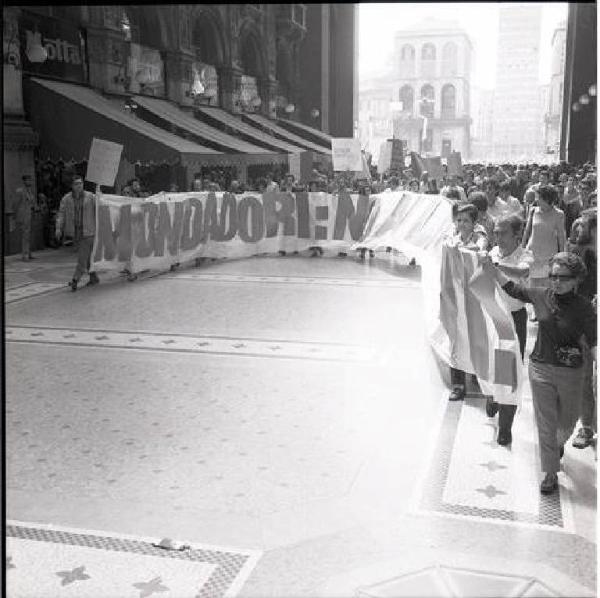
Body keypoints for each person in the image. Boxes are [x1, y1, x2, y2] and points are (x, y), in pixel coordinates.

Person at [482, 251, 596, 494]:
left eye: (563, 277)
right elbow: (513, 288)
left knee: (567, 422)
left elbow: (594, 341)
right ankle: (550, 473)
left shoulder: (584, 308)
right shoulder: (541, 295)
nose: (556, 281)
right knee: (546, 423)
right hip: (541, 367)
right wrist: (492, 270)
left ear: (576, 279)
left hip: (571, 372)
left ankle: (556, 445)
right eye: (553, 275)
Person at [485, 214, 533, 444]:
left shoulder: (525, 255)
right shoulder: (492, 252)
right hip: (491, 317)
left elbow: (522, 272)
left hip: (513, 320)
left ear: (516, 234)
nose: (497, 237)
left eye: (502, 232)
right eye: (495, 232)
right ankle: (493, 396)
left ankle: (505, 427)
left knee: (509, 372)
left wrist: (495, 267)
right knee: (491, 365)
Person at [447, 203, 489, 401]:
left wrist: (460, 249)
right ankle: (457, 384)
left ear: (474, 223)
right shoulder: (452, 239)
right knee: (455, 338)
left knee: (475, 337)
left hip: (474, 297)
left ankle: (477, 374)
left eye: (466, 220)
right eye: (459, 220)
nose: (461, 224)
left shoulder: (479, 238)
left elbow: (478, 249)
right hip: (455, 296)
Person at [570, 209, 597, 449]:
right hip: (587, 323)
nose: (578, 228)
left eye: (583, 225)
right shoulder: (579, 254)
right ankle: (587, 427)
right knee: (585, 375)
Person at [56, 176, 99, 291]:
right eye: (76, 184)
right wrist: (58, 228)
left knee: (82, 258)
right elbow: (61, 214)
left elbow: (100, 208)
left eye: (80, 183)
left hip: (89, 232)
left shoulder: (91, 197)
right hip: (75, 232)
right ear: (72, 186)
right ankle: (94, 277)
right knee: (87, 257)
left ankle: (75, 279)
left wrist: (100, 195)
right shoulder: (66, 199)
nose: (79, 186)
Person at [522, 185, 566, 289]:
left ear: (547, 199)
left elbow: (561, 236)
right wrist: (522, 250)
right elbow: (527, 231)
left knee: (547, 289)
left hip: (549, 257)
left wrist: (562, 256)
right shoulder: (533, 211)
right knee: (532, 287)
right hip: (532, 255)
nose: (537, 200)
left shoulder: (559, 214)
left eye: (539, 197)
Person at [13, 174, 37, 261]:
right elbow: (15, 204)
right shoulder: (19, 191)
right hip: (23, 215)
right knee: (25, 235)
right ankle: (25, 255)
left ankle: (29, 252)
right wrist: (15, 216)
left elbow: (32, 203)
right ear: (24, 181)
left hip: (30, 214)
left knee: (29, 235)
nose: (30, 182)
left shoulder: (30, 191)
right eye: (28, 180)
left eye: (30, 180)